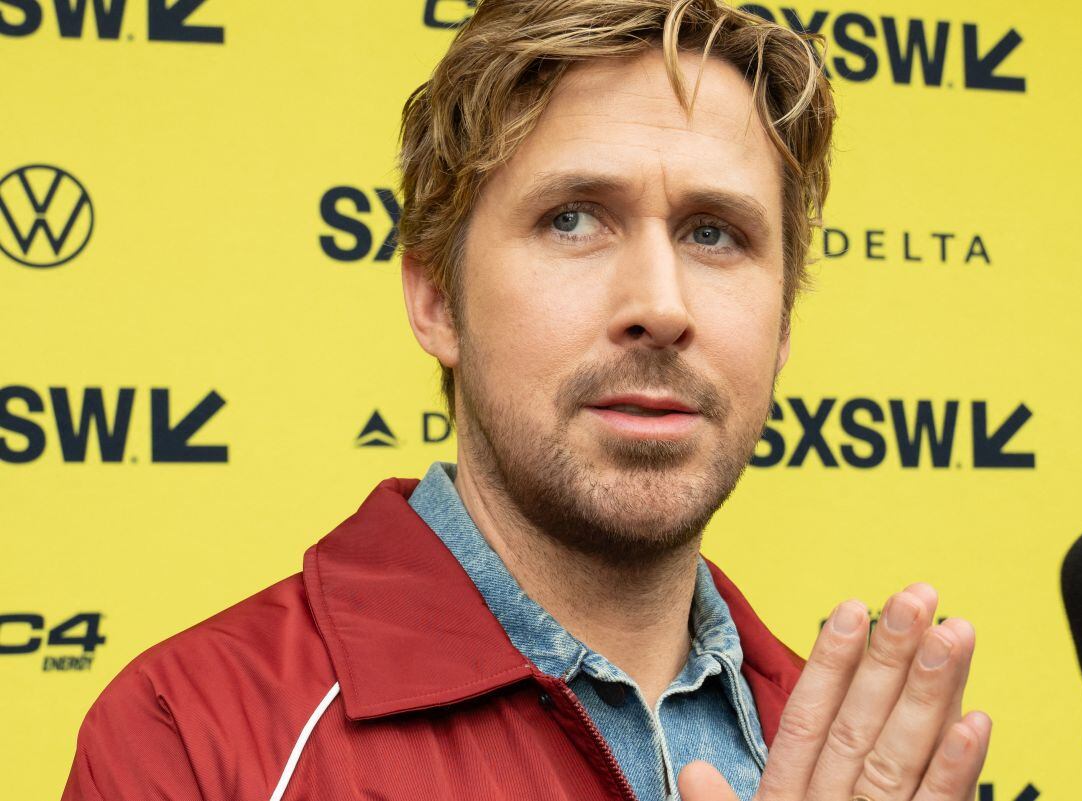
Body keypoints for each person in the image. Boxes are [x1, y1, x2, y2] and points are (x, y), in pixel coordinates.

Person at [61, 1, 990, 799]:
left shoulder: (849, 759)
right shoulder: (197, 734)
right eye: (573, 219)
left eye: (716, 233)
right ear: (436, 300)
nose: (660, 306)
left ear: (782, 327)